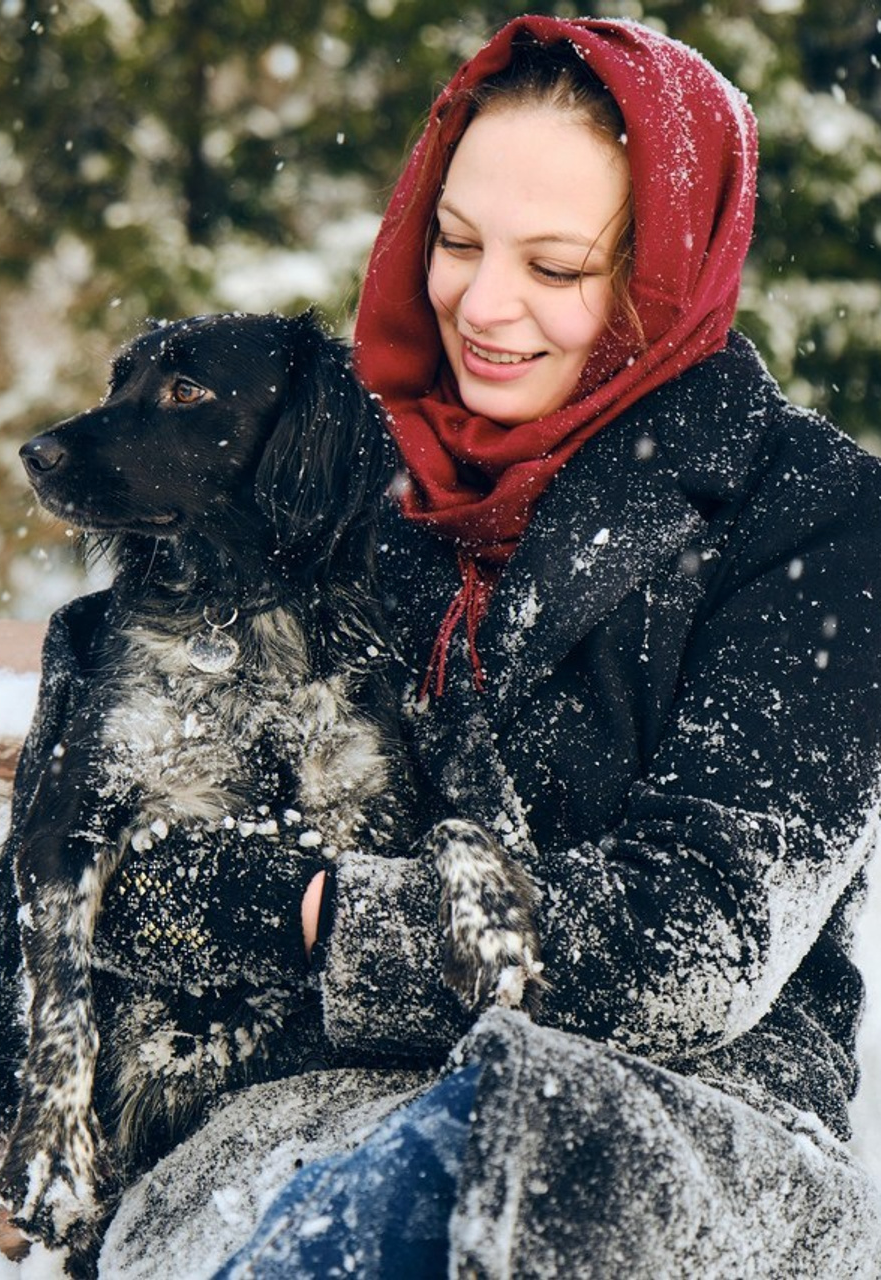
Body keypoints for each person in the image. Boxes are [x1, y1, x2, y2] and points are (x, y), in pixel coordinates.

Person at [82, 14, 881, 1278]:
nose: (483, 306)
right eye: (454, 243)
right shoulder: (340, 484)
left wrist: (299, 911)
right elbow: (123, 839)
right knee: (338, 1198)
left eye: (556, 267)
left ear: (661, 274)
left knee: (533, 1157)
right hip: (312, 1105)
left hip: (689, 1121)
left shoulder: (812, 519)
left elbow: (694, 941)